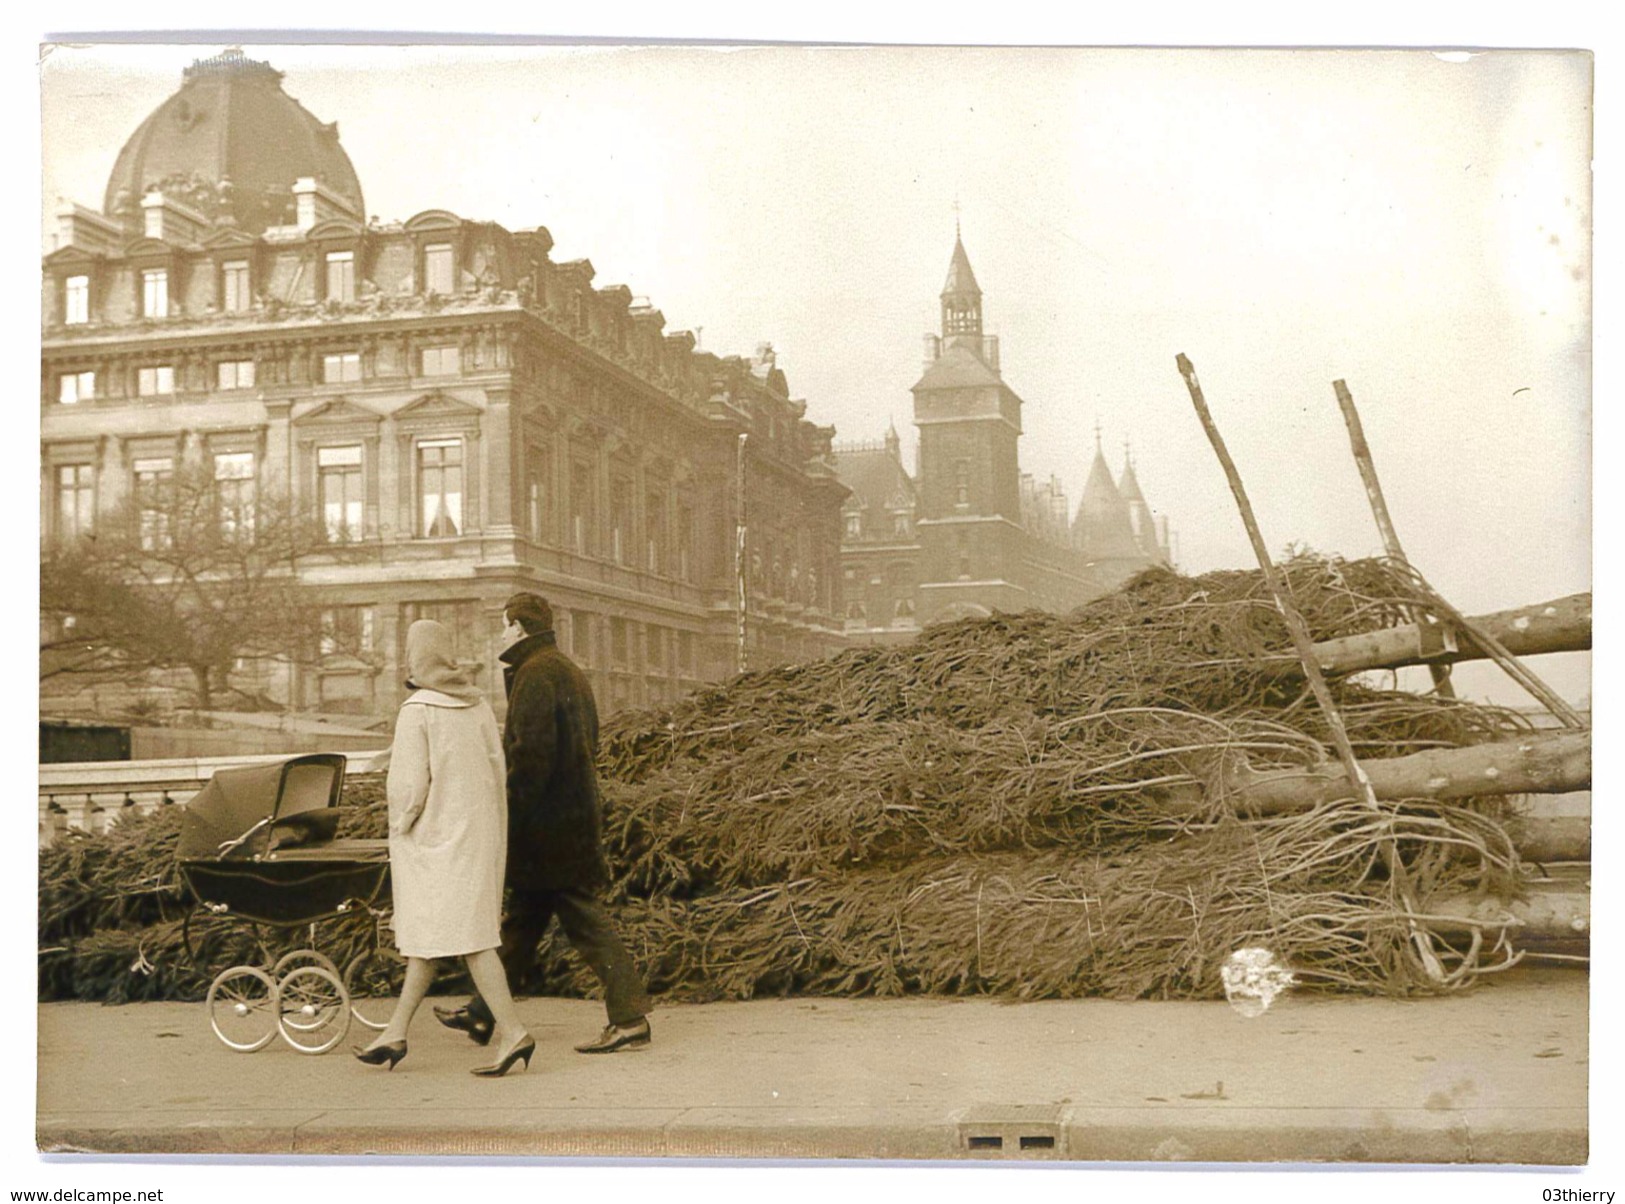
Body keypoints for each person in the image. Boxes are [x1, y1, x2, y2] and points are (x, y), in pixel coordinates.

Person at [435, 592, 653, 1054]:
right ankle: (481, 1014)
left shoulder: (534, 675)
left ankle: (630, 1018)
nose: (500, 633)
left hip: (547, 827)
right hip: (571, 816)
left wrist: (507, 815)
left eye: (503, 624)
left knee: (584, 922)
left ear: (518, 626)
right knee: (523, 921)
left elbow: (529, 759)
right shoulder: (566, 669)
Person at [355, 619, 535, 1077]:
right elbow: (499, 773)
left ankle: (514, 1033)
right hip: (477, 838)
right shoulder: (475, 705)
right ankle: (395, 1033)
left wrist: (401, 825)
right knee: (433, 941)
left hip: (434, 844)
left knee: (466, 940)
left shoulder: (417, 710)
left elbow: (408, 788)